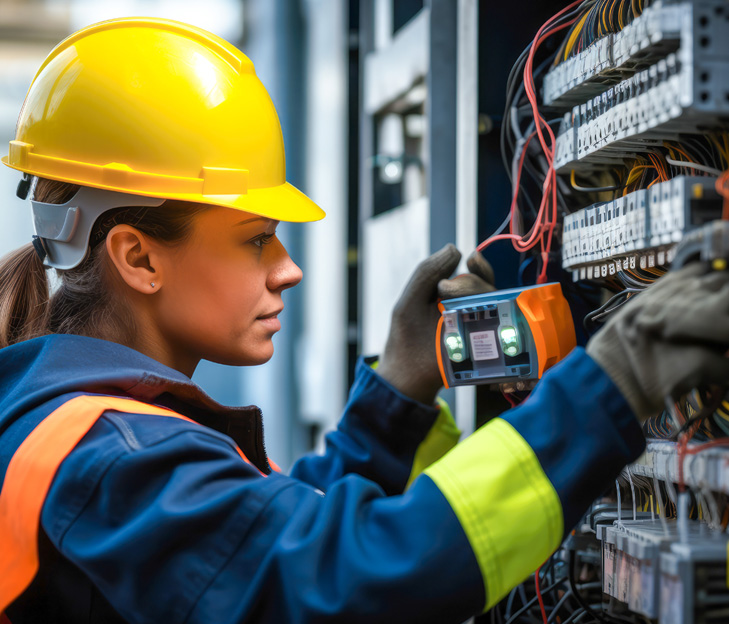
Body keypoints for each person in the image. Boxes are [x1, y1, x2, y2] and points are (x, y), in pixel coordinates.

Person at [2, 17, 729, 624]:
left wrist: (397, 399)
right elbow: (354, 579)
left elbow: (276, 538)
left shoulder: (93, 434)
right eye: (256, 238)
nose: (287, 268)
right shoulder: (112, 461)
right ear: (138, 257)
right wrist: (612, 383)